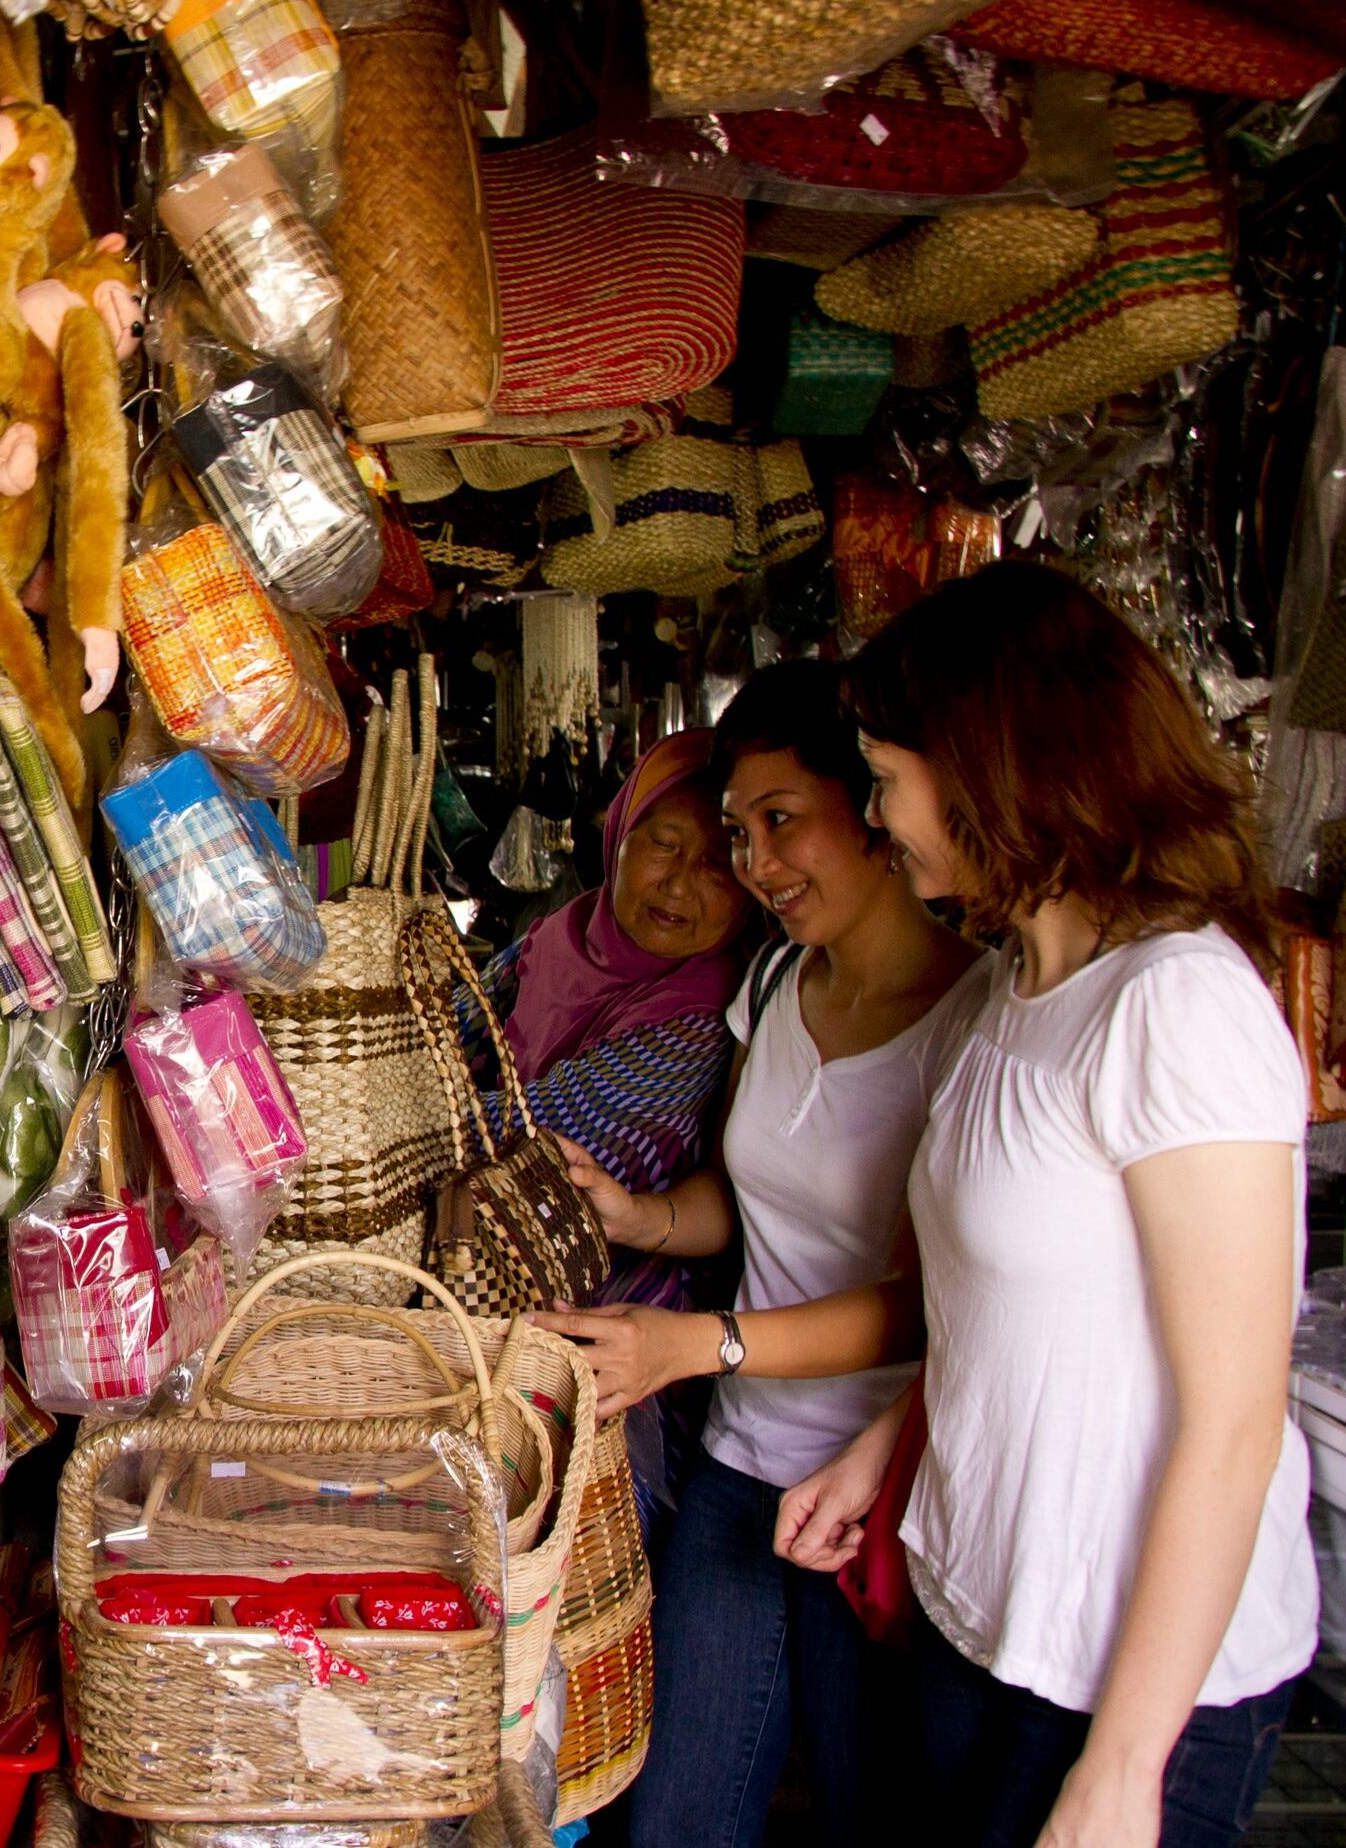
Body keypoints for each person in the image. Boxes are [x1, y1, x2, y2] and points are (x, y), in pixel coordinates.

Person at [778, 561, 1313, 1848]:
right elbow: (1024, 1302)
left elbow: (1234, 1420)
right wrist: (892, 1439)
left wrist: (1124, 1769)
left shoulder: (1175, 1008)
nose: (879, 813)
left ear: (987, 769)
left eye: (887, 776)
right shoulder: (1005, 990)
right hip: (983, 1617)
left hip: (1126, 1683)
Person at [530, 662, 992, 1848]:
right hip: (741, 1469)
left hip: (881, 1490)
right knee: (678, 1818)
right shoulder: (775, 986)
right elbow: (737, 1205)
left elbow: (937, 1306)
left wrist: (703, 1342)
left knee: (863, 1814)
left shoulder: (975, 1022)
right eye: (738, 833)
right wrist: (639, 1218)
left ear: (874, 813)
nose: (755, 866)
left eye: (781, 822)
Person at [487, 725, 752, 1521]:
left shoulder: (706, 1017)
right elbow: (439, 1042)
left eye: (715, 863)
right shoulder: (550, 940)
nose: (678, 885)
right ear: (619, 838)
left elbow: (531, 1159)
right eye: (661, 845)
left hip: (608, 1364)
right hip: (477, 1325)